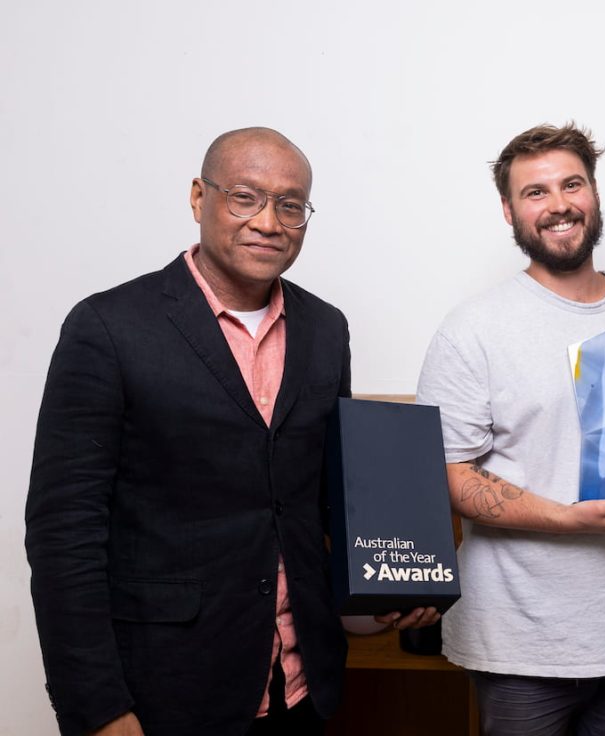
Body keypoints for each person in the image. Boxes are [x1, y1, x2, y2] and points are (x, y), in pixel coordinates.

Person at [25, 127, 436, 736]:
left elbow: (331, 500)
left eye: (291, 205)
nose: (269, 221)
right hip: (164, 694)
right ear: (199, 197)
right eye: (245, 197)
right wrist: (99, 709)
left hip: (301, 686)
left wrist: (395, 585)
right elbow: (65, 536)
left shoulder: (326, 329)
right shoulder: (108, 328)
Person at [416, 123, 605, 735]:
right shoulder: (472, 328)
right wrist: (567, 518)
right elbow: (446, 475)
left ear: (594, 194)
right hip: (519, 641)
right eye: (535, 192)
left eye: (571, 184)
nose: (558, 204)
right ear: (508, 209)